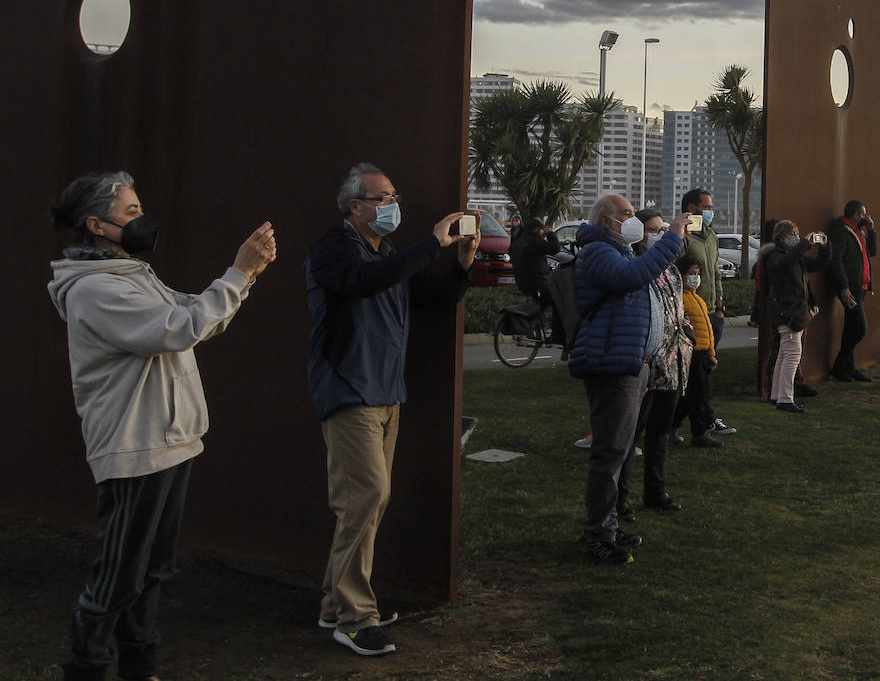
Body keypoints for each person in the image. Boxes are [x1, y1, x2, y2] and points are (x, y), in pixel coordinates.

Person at [49, 171, 276, 681]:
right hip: (135, 447)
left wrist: (247, 275)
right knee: (118, 574)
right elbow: (175, 330)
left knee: (149, 569)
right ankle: (85, 668)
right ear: (96, 225)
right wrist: (237, 273)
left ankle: (139, 667)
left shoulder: (133, 274)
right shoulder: (93, 290)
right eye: (129, 212)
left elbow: (197, 316)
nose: (141, 219)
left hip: (172, 442)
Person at [305, 164, 477, 655]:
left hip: (386, 393)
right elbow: (364, 282)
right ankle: (357, 616)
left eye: (394, 195)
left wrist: (461, 262)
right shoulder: (334, 249)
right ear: (355, 206)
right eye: (382, 197)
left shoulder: (392, 255)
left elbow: (434, 297)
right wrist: (433, 243)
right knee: (366, 496)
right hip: (348, 391)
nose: (392, 204)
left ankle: (334, 605)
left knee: (369, 502)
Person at [569, 195, 689, 563]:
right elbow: (632, 278)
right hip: (613, 365)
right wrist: (673, 237)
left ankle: (608, 524)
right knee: (610, 453)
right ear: (606, 221)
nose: (633, 220)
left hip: (631, 363)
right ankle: (598, 533)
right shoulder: (599, 253)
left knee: (620, 450)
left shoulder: (619, 252)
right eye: (627, 215)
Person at [618, 209, 693, 516]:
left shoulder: (672, 271)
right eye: (652, 229)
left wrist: (686, 332)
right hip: (647, 364)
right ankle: (619, 498)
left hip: (673, 363)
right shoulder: (635, 268)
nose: (660, 234)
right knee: (629, 435)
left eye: (663, 229)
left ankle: (655, 490)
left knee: (660, 433)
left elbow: (677, 307)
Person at [678, 188, 731, 434]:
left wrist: (719, 305)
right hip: (690, 314)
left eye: (711, 207)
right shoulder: (682, 237)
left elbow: (716, 272)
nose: (710, 211)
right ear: (691, 209)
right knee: (692, 375)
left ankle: (694, 420)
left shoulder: (711, 236)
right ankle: (697, 421)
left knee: (705, 370)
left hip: (711, 313)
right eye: (706, 207)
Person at [764, 220, 829, 412]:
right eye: (792, 234)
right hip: (787, 311)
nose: (796, 237)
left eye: (797, 233)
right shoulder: (774, 255)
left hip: (794, 309)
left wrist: (825, 247)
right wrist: (803, 246)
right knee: (792, 354)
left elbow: (815, 267)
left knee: (785, 354)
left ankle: (777, 395)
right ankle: (785, 399)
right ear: (781, 236)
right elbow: (785, 262)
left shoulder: (794, 257)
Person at [825, 199, 877, 382]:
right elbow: (836, 260)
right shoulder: (841, 232)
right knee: (859, 328)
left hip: (861, 288)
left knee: (851, 329)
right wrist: (843, 287)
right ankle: (840, 366)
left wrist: (871, 231)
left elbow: (873, 251)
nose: (866, 216)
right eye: (863, 214)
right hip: (850, 288)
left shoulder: (858, 232)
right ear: (856, 215)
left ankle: (848, 368)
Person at [675, 257, 722, 446]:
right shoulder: (681, 299)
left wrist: (711, 353)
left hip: (703, 353)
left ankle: (672, 426)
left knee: (693, 395)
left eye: (697, 274)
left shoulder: (698, 298)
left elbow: (707, 329)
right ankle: (699, 432)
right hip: (691, 353)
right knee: (697, 395)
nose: (695, 278)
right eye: (691, 274)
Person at [510, 216, 561, 304]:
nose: (542, 233)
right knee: (555, 302)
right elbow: (555, 248)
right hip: (538, 284)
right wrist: (549, 233)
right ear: (537, 229)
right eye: (542, 230)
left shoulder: (518, 242)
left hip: (522, 284)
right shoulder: (534, 242)